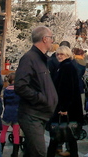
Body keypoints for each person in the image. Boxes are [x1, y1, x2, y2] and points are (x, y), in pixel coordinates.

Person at [15, 26, 58, 157]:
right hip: (32, 115)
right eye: (51, 38)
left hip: (40, 114)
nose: (52, 41)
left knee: (30, 152)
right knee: (39, 153)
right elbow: (20, 86)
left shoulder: (42, 59)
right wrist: (41, 98)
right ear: (44, 39)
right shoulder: (29, 58)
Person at [46, 46, 84, 157]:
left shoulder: (66, 67)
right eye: (58, 54)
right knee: (68, 134)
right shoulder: (65, 66)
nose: (59, 56)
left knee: (60, 133)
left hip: (66, 107)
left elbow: (67, 89)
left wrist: (64, 108)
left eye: (61, 54)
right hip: (67, 106)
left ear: (67, 55)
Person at [0, 72, 21, 157]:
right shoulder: (19, 89)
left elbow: (4, 102)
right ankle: (15, 153)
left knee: (3, 131)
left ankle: (0, 150)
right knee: (16, 133)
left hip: (7, 112)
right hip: (17, 112)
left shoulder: (6, 89)